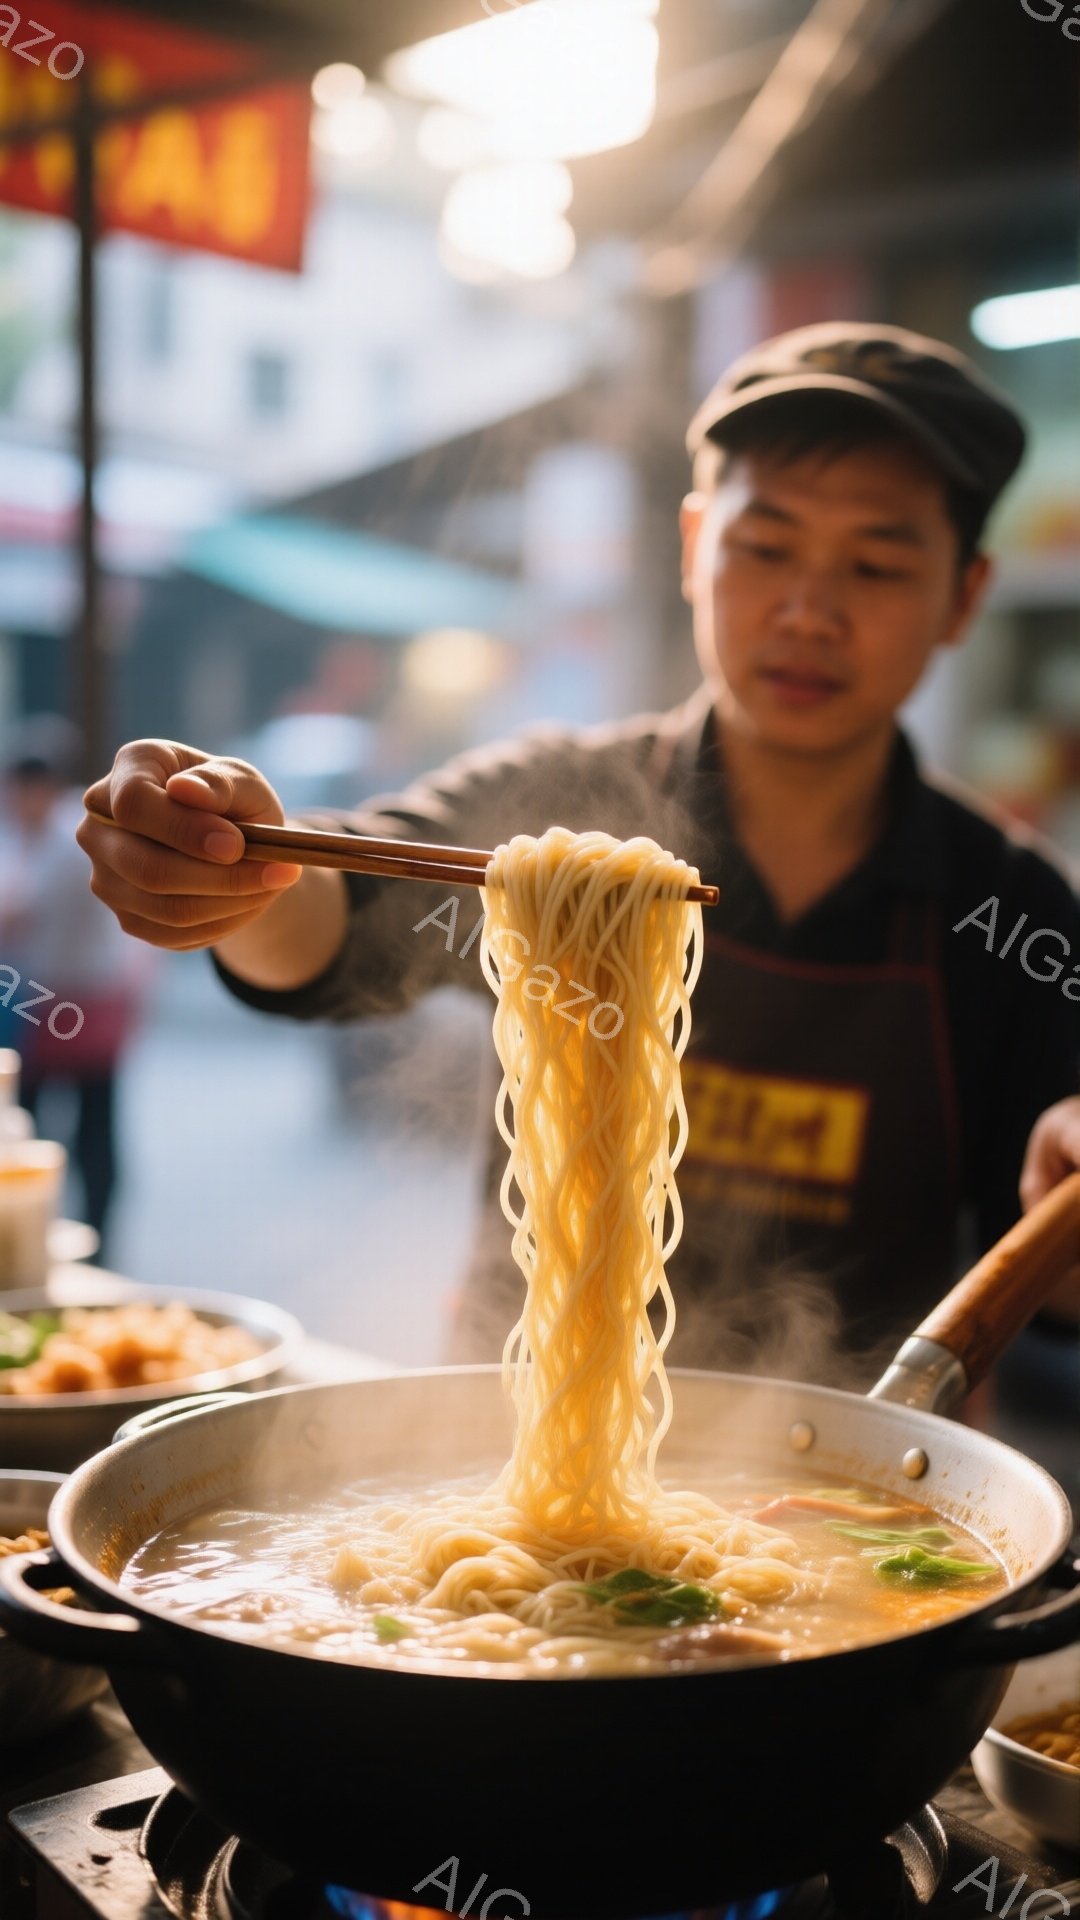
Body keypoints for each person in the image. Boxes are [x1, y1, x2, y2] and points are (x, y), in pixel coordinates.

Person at [76, 323, 1080, 1380]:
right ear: (696, 547)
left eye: (876, 564)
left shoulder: (1007, 910)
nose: (808, 612)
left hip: (859, 1496)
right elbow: (338, 911)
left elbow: (1057, 1280)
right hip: (508, 1455)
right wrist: (231, 872)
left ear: (965, 595)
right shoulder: (558, 805)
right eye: (766, 546)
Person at [1, 715, 148, 1258]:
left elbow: (16, 917)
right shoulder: (30, 834)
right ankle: (54, 1241)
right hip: (59, 997)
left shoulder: (68, 839)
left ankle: (88, 1247)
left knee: (68, 1130)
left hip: (73, 1001)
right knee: (57, 1127)